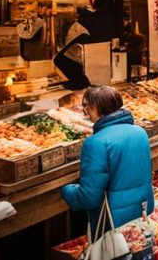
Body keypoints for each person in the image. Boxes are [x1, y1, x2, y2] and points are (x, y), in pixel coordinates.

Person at [62, 87, 153, 232]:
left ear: (95, 107)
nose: (86, 112)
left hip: (112, 222)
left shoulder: (95, 142)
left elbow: (89, 197)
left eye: (87, 107)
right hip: (142, 212)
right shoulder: (140, 132)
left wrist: (67, 191)